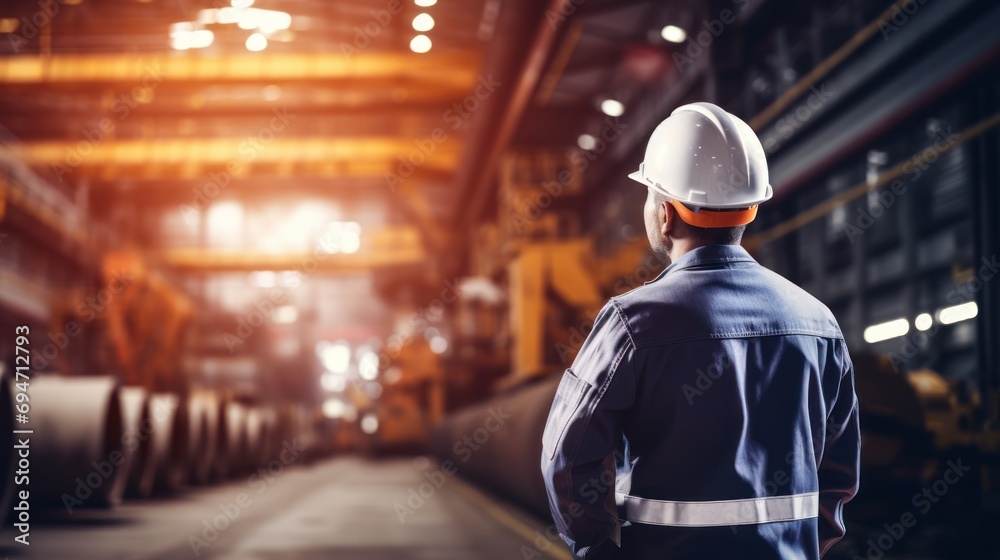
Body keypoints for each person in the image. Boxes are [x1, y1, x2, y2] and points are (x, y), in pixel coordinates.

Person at [540, 102, 860, 559]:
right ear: (749, 209)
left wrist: (597, 549)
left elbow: (566, 457)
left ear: (665, 215)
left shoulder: (633, 323)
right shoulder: (818, 323)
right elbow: (839, 471)